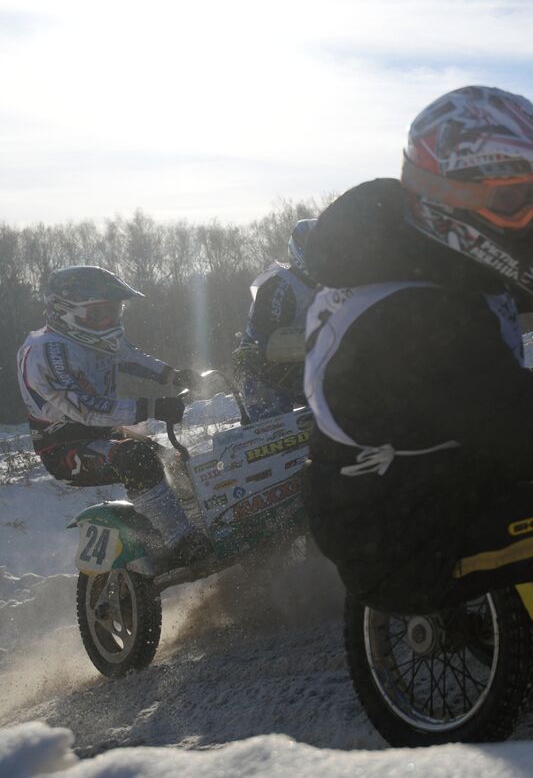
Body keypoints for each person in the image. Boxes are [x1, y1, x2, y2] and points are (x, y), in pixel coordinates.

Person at [299, 85, 533, 664]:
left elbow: (527, 274)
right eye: (515, 201)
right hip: (402, 535)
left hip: (441, 467)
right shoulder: (412, 319)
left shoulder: (421, 243)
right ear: (446, 197)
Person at [15, 266, 210, 567]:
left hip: (104, 433)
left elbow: (131, 357)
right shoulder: (45, 351)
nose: (110, 321)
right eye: (100, 314)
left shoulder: (99, 338)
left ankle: (197, 523)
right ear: (65, 312)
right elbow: (86, 409)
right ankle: (180, 541)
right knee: (138, 460)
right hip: (65, 446)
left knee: (171, 461)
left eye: (115, 311)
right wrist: (152, 407)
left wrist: (174, 375)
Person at [233, 218, 319, 418]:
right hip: (264, 372)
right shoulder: (280, 285)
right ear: (298, 248)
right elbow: (263, 340)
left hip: (304, 366)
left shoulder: (333, 285)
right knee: (273, 432)